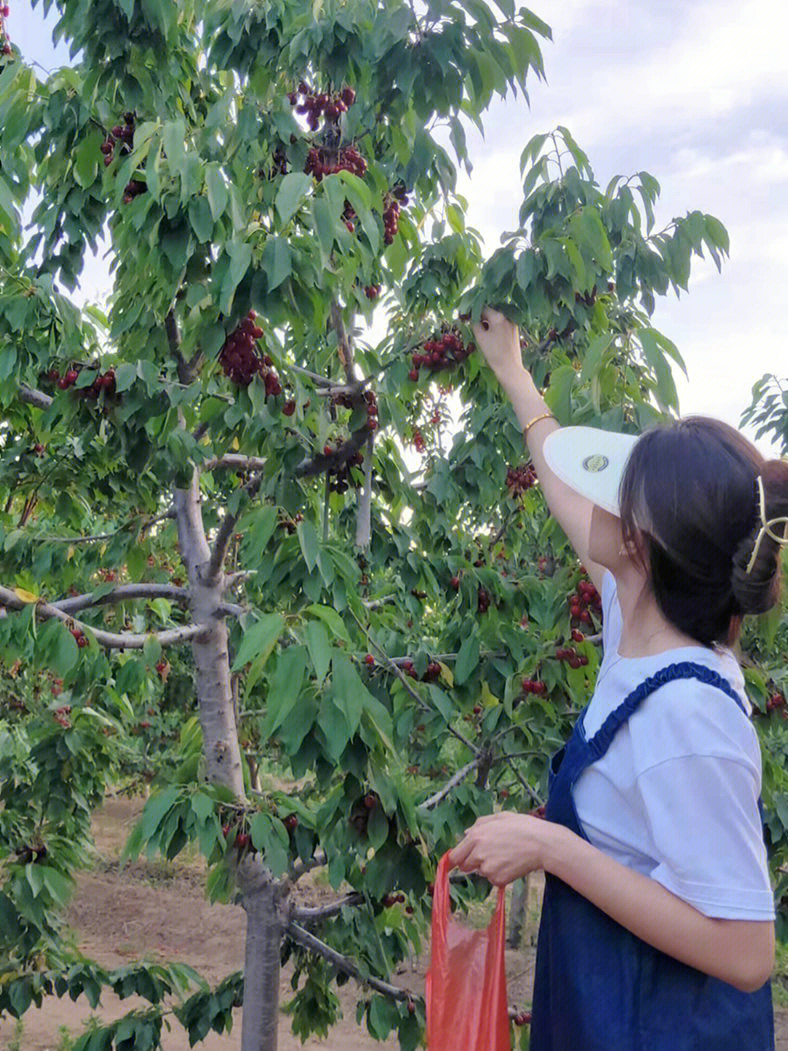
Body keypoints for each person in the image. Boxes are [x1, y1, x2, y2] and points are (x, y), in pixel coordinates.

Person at [449, 307, 788, 1050]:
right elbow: (565, 495)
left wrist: (550, 847)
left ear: (639, 540)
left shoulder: (687, 718)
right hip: (609, 1015)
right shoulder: (636, 616)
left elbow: (746, 951)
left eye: (619, 484)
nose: (595, 494)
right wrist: (512, 366)